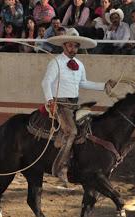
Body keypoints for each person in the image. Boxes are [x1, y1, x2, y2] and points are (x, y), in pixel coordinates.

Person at [41, 27, 118, 182]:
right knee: (71, 131)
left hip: (75, 105)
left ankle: (83, 162)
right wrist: (50, 101)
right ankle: (60, 167)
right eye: (70, 45)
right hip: (60, 104)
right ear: (64, 45)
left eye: (76, 46)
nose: (73, 49)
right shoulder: (56, 62)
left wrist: (104, 86)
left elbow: (84, 83)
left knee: (91, 128)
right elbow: (46, 82)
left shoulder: (79, 64)